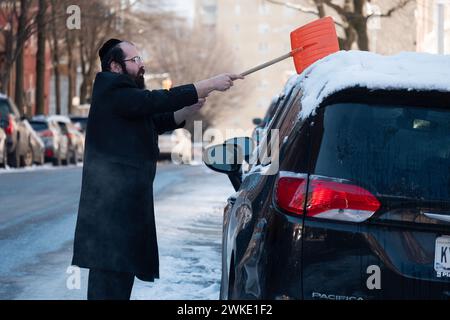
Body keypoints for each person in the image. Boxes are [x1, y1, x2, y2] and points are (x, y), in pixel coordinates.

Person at [71, 38, 243, 300]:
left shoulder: (126, 96)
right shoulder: (112, 92)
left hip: (124, 208)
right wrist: (208, 84)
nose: (142, 64)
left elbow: (155, 120)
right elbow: (155, 101)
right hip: (110, 213)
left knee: (120, 277)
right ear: (115, 67)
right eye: (135, 60)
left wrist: (188, 108)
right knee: (109, 281)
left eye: (140, 58)